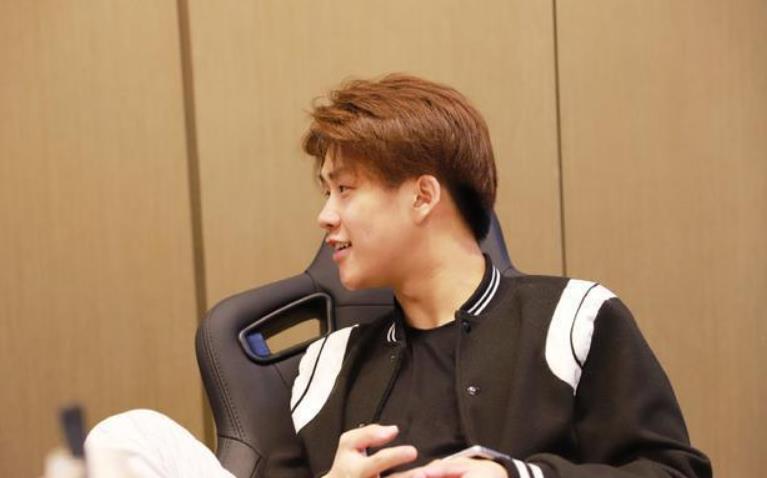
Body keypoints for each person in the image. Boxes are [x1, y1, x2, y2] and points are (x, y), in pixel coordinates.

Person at [86, 74, 711, 478]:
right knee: (127, 435)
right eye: (326, 191)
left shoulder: (575, 318)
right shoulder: (324, 366)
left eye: (345, 189)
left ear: (422, 196)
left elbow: (674, 471)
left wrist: (518, 476)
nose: (325, 216)